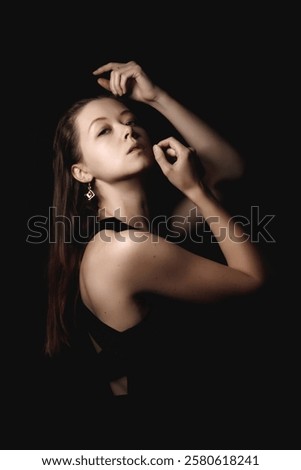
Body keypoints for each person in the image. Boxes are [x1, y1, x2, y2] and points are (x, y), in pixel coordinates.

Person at [45, 61, 266, 418]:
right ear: (81, 171)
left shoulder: (148, 233)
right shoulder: (125, 250)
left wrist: (156, 97)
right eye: (104, 131)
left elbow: (228, 169)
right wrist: (197, 191)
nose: (128, 132)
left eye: (131, 122)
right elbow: (254, 280)